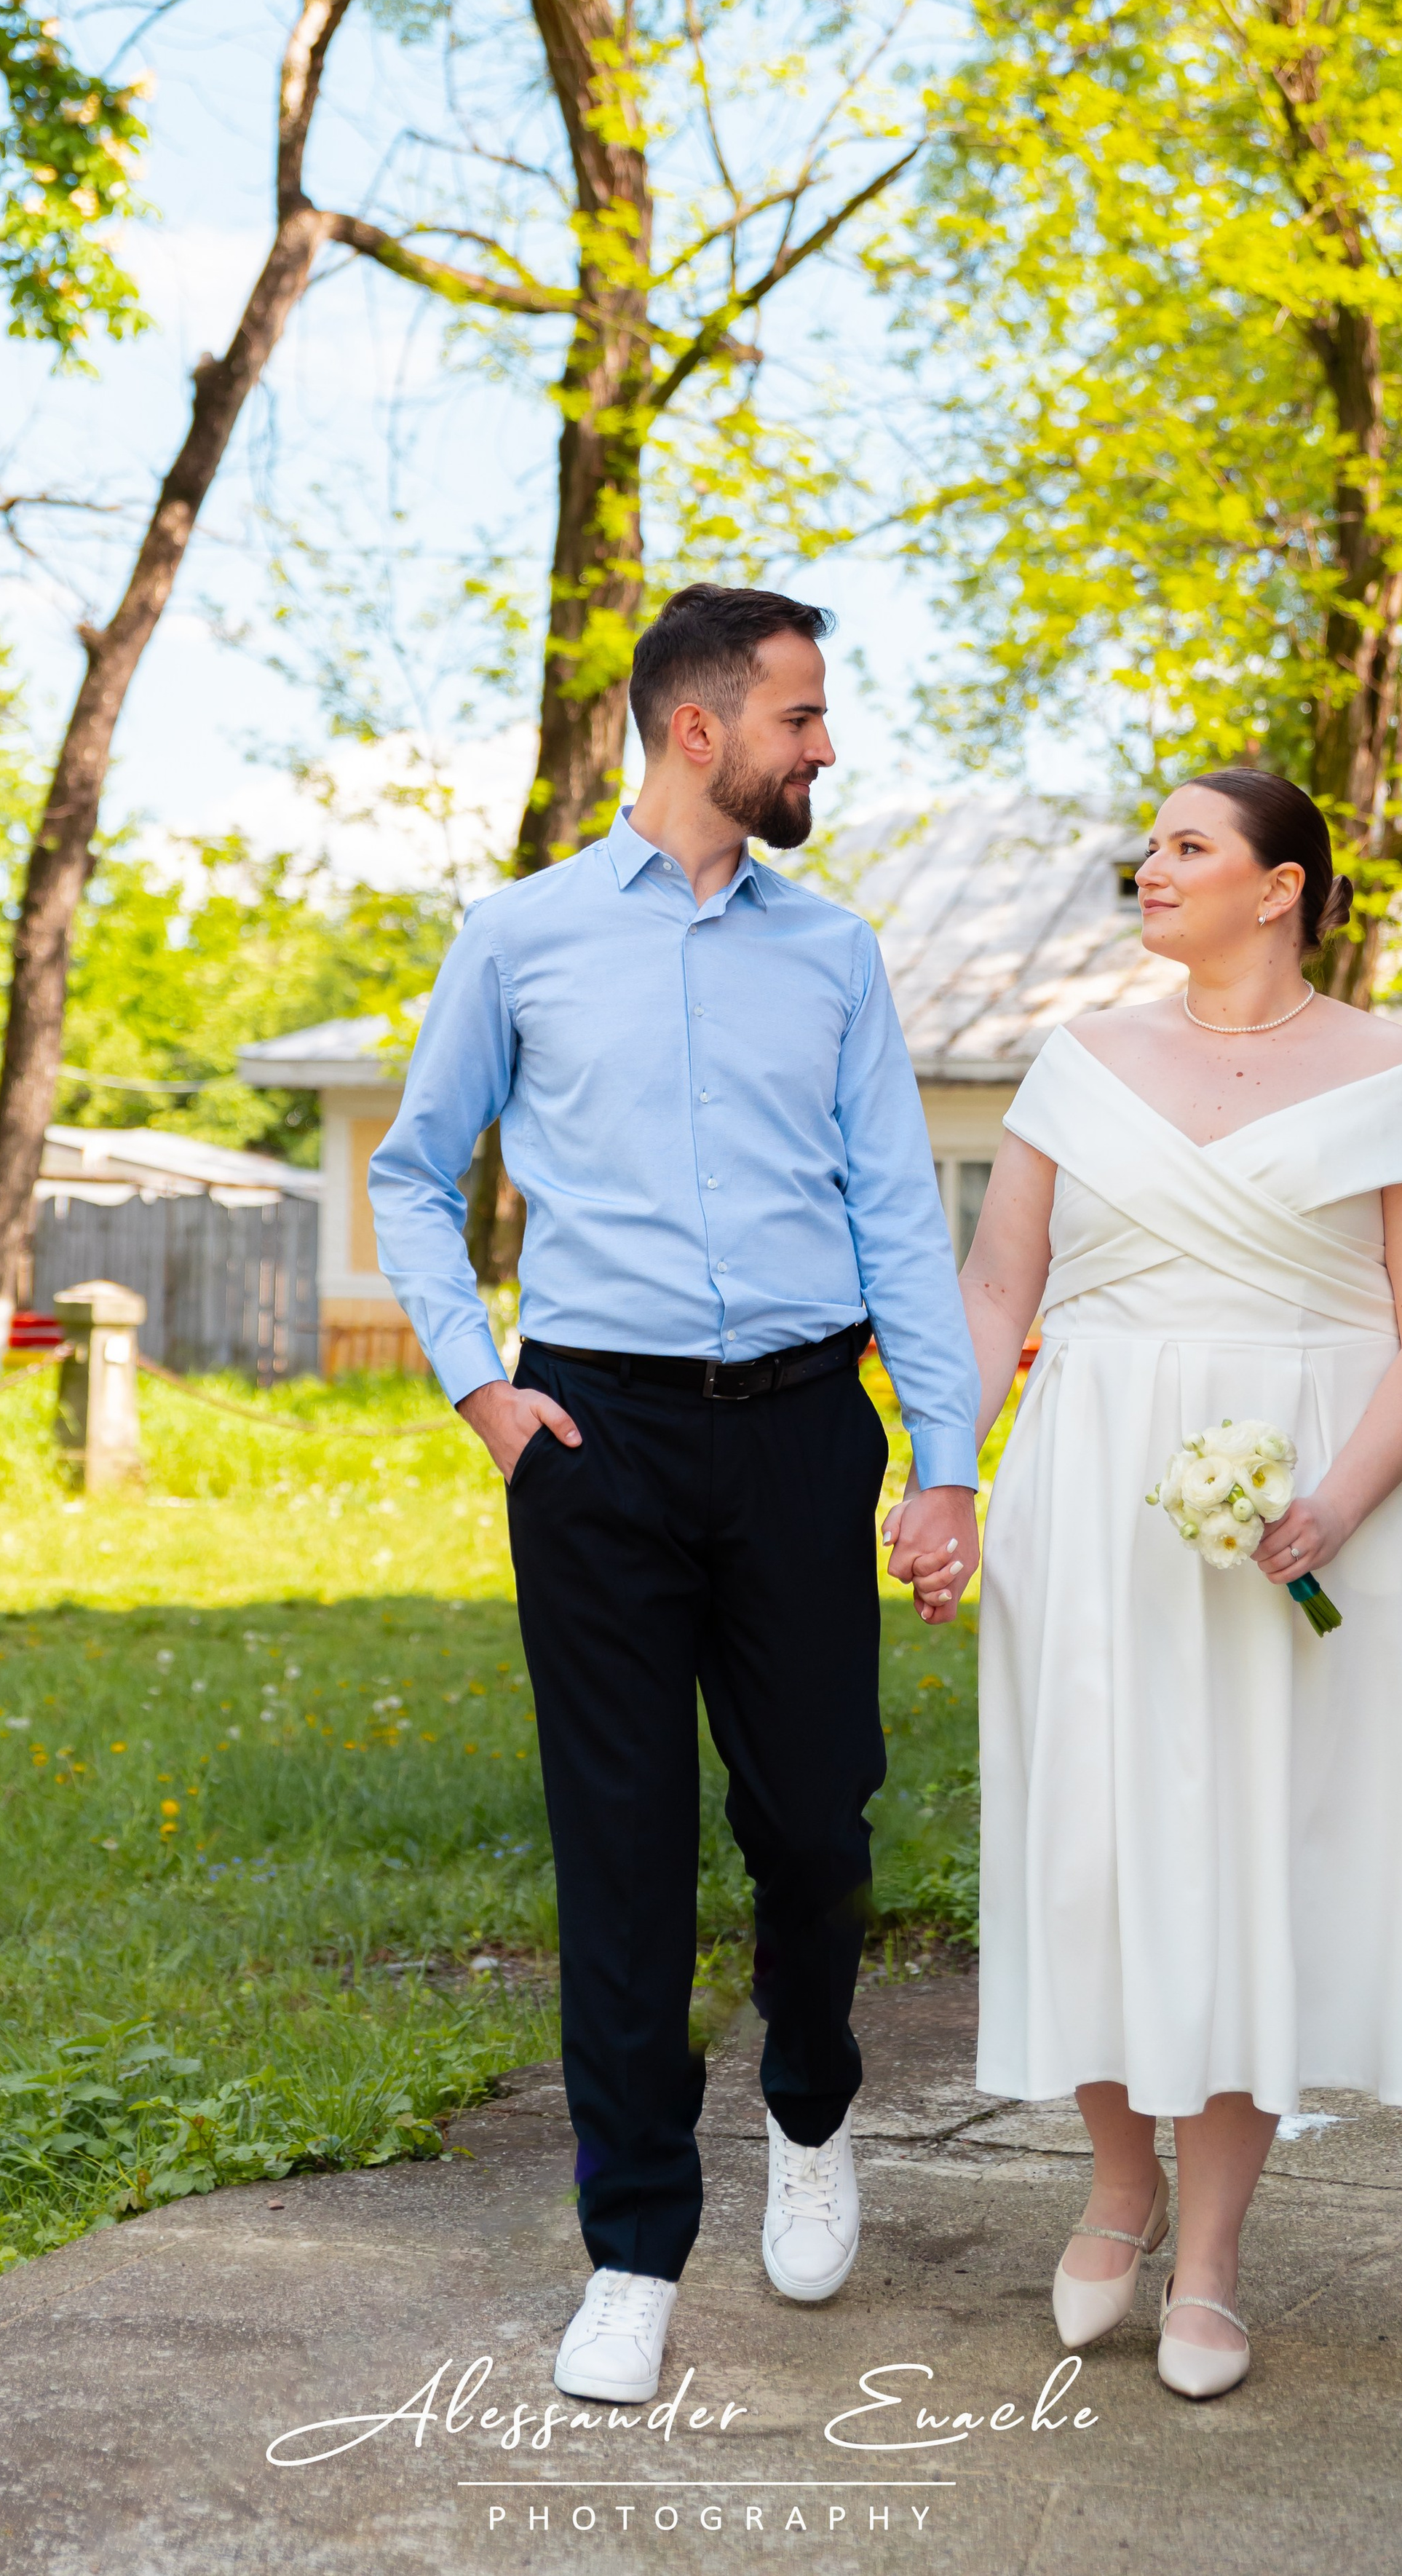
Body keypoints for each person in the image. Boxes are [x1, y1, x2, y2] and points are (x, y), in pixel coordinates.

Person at [370, 582, 980, 2404]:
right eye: (800, 716)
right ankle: (631, 2246)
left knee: (816, 1826)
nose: (824, 747)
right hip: (595, 1443)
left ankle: (810, 2105)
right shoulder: (521, 933)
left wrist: (942, 1464)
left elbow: (897, 1215)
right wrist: (482, 1388)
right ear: (698, 731)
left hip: (802, 1426)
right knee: (619, 1852)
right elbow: (414, 1171)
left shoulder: (836, 954)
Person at [906, 770, 1402, 2400]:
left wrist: (1337, 1502)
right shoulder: (1076, 1061)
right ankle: (1116, 2179)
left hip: (1308, 1493)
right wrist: (941, 1474)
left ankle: (1217, 2258)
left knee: (1255, 1849)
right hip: (1090, 1483)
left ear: (1278, 884)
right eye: (1150, 845)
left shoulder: (1398, 1075)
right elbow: (995, 1279)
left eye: (1187, 847)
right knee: (1092, 1832)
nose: (1148, 869)